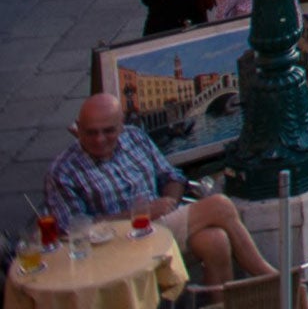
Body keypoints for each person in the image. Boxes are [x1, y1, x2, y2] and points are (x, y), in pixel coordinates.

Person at [45, 94, 282, 288]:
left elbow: (172, 177)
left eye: (108, 131)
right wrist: (140, 214)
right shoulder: (63, 171)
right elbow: (72, 229)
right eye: (91, 132)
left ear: (121, 126)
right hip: (119, 243)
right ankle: (273, 279)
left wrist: (169, 200)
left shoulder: (134, 138)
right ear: (78, 128)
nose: (100, 139)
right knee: (219, 205)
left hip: (161, 224)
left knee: (216, 241)